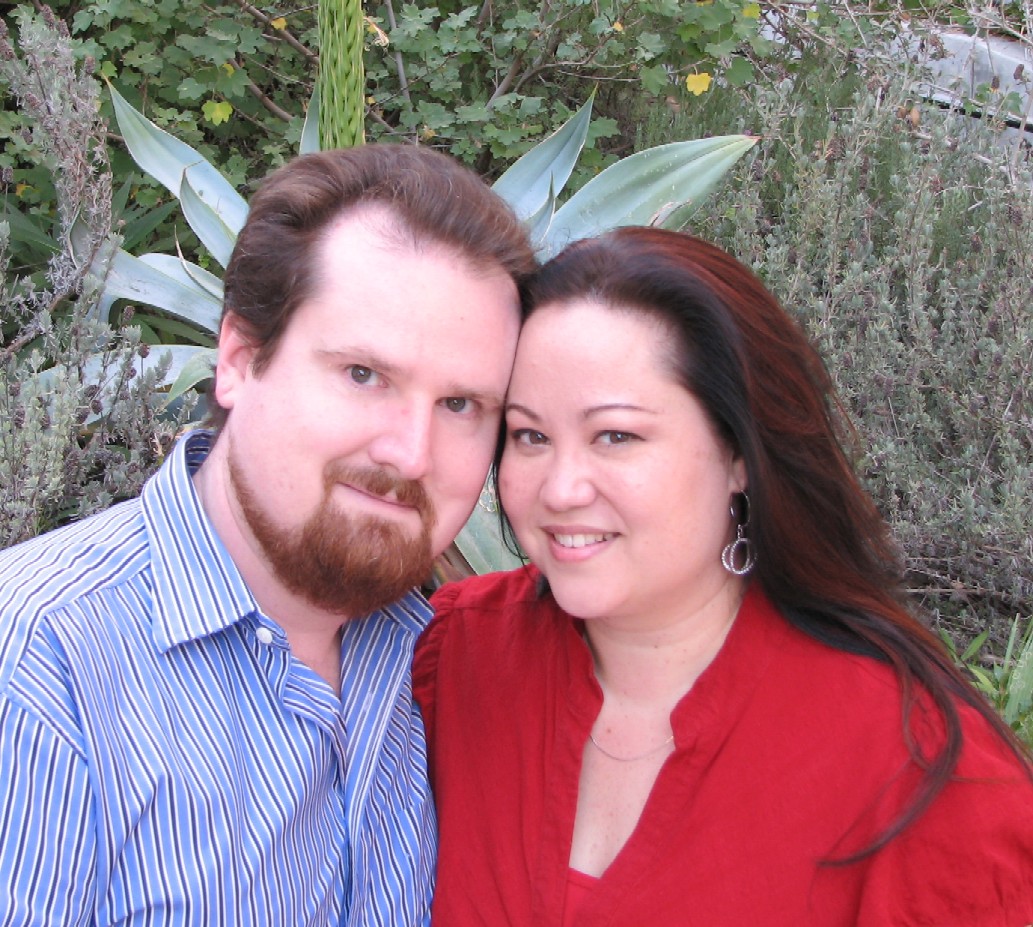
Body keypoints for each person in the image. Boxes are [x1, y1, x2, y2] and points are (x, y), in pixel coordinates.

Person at [414, 227, 1033, 926]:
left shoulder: (916, 769)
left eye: (616, 435)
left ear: (737, 452)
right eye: (530, 436)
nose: (559, 489)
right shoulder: (455, 655)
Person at [0, 144, 536, 926]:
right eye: (362, 374)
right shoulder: (39, 670)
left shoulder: (433, 661)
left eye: (460, 405)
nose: (411, 453)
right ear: (238, 360)